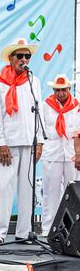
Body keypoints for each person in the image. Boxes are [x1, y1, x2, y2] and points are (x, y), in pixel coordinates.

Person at [0, 38, 44, 244]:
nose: (24, 59)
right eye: (19, 56)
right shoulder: (0, 82)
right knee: (4, 187)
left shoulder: (34, 81)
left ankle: (24, 232)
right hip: (9, 144)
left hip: (29, 142)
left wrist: (40, 142)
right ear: (11, 59)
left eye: (27, 56)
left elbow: (38, 114)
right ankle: (0, 232)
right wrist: (1, 143)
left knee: (27, 189)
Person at [42, 75, 79, 236]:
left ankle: (72, 230)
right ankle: (48, 229)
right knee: (51, 193)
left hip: (72, 154)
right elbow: (40, 129)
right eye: (58, 90)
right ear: (53, 90)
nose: (61, 93)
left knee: (73, 193)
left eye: (64, 89)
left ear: (69, 89)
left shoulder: (77, 106)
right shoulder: (45, 106)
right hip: (52, 153)